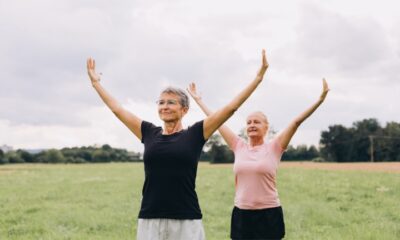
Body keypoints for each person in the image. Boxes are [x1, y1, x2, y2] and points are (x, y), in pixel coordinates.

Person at [86, 49, 269, 240]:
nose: (164, 106)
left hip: (186, 219)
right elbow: (118, 110)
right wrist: (96, 83)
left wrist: (257, 78)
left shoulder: (195, 134)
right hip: (150, 218)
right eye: (161, 102)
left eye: (171, 102)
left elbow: (230, 108)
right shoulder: (148, 132)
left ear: (184, 110)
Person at [187, 78, 329, 240]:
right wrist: (199, 101)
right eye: (249, 122)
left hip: (269, 213)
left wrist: (320, 100)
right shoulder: (238, 145)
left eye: (257, 122)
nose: (252, 125)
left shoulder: (275, 146)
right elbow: (217, 121)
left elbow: (296, 122)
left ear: (266, 127)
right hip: (242, 213)